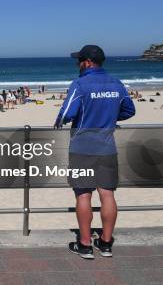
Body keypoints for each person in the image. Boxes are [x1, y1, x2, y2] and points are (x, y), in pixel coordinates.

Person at [54, 45, 135, 259]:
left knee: (83, 194)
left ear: (88, 62)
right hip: (107, 146)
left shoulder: (80, 84)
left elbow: (68, 113)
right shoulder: (116, 83)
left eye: (78, 61)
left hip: (82, 148)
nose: (77, 64)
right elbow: (129, 110)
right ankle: (106, 243)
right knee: (107, 194)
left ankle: (85, 244)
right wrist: (109, 119)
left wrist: (61, 119)